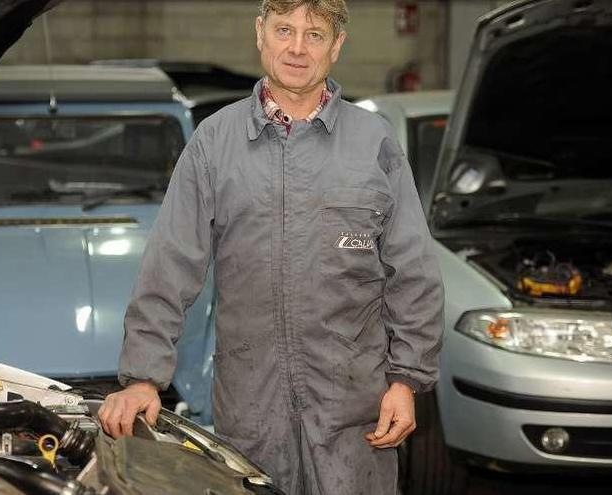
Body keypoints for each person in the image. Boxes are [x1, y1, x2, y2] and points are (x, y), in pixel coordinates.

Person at [98, 0, 443, 493]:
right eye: (285, 29)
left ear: (337, 46)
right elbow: (170, 264)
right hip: (250, 412)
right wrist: (142, 377)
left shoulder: (374, 143)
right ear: (261, 33)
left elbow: (413, 272)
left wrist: (406, 380)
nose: (297, 48)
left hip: (353, 414)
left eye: (315, 34)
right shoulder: (214, 142)